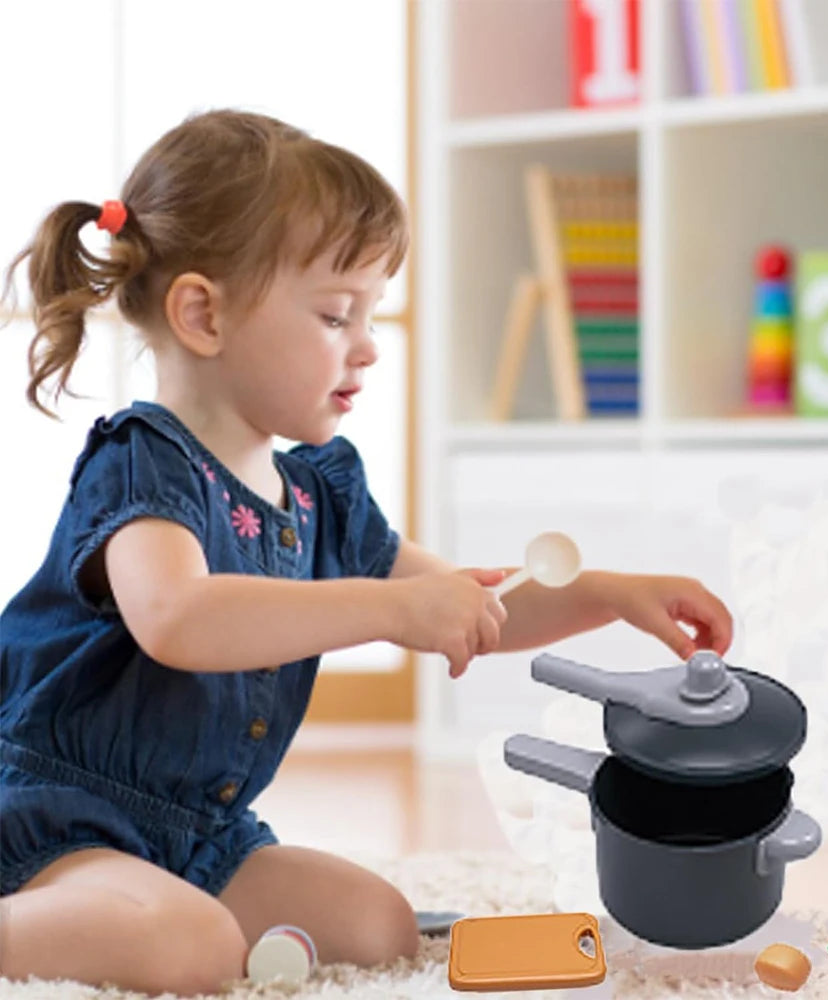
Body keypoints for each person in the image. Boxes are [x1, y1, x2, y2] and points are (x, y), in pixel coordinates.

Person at [0, 109, 733, 996]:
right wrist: (389, 609)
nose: (369, 348)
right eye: (336, 315)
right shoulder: (142, 463)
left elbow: (471, 603)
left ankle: (147, 911)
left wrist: (611, 593)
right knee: (188, 949)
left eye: (372, 315)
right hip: (61, 814)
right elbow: (178, 618)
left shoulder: (318, 495)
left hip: (199, 832)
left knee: (377, 925)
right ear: (202, 314)